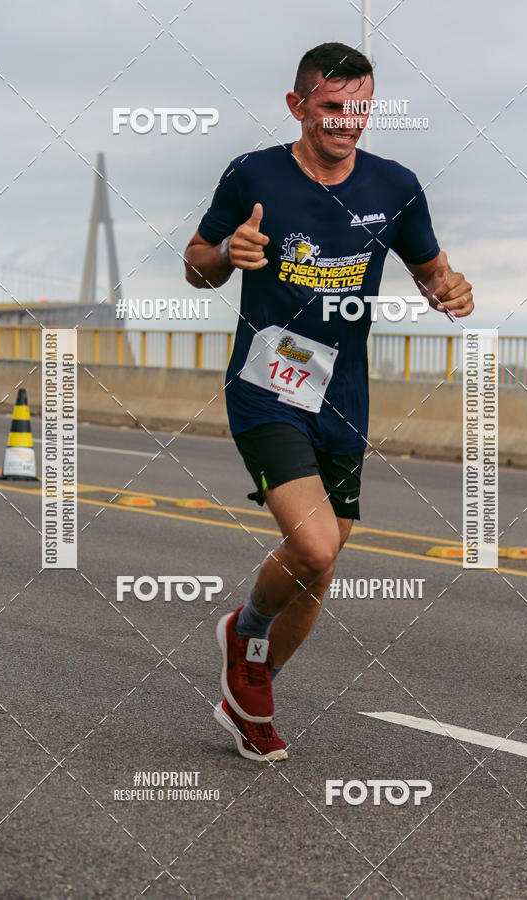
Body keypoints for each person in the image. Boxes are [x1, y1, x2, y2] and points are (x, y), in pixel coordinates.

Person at [184, 42, 473, 762]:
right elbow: (196, 262)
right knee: (311, 544)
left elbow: (432, 268)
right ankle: (244, 630)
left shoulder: (395, 185)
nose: (348, 121)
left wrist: (449, 292)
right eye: (331, 107)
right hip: (268, 379)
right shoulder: (254, 174)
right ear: (297, 105)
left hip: (344, 391)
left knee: (324, 558)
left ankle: (251, 687)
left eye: (361, 107)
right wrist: (229, 256)